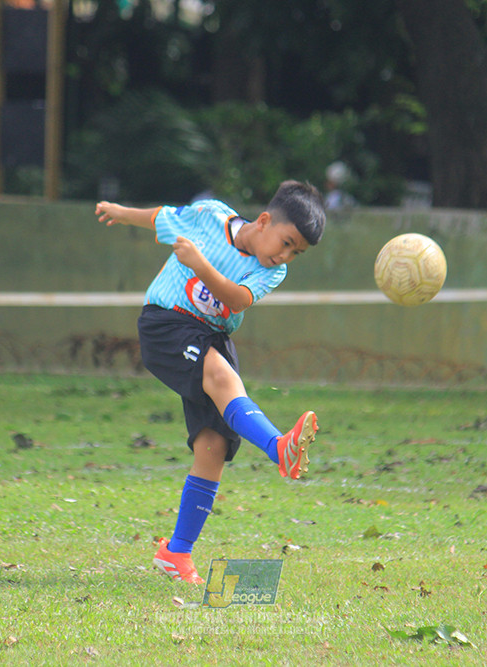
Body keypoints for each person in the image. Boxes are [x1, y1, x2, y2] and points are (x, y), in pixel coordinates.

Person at [95, 181, 326, 584]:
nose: (285, 255)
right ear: (266, 220)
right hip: (166, 324)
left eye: (296, 253)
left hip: (211, 336)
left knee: (213, 445)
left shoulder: (272, 272)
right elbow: (161, 218)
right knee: (221, 376)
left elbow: (237, 299)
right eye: (286, 242)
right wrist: (120, 211)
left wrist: (201, 265)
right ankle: (279, 448)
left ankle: (176, 553)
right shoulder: (209, 216)